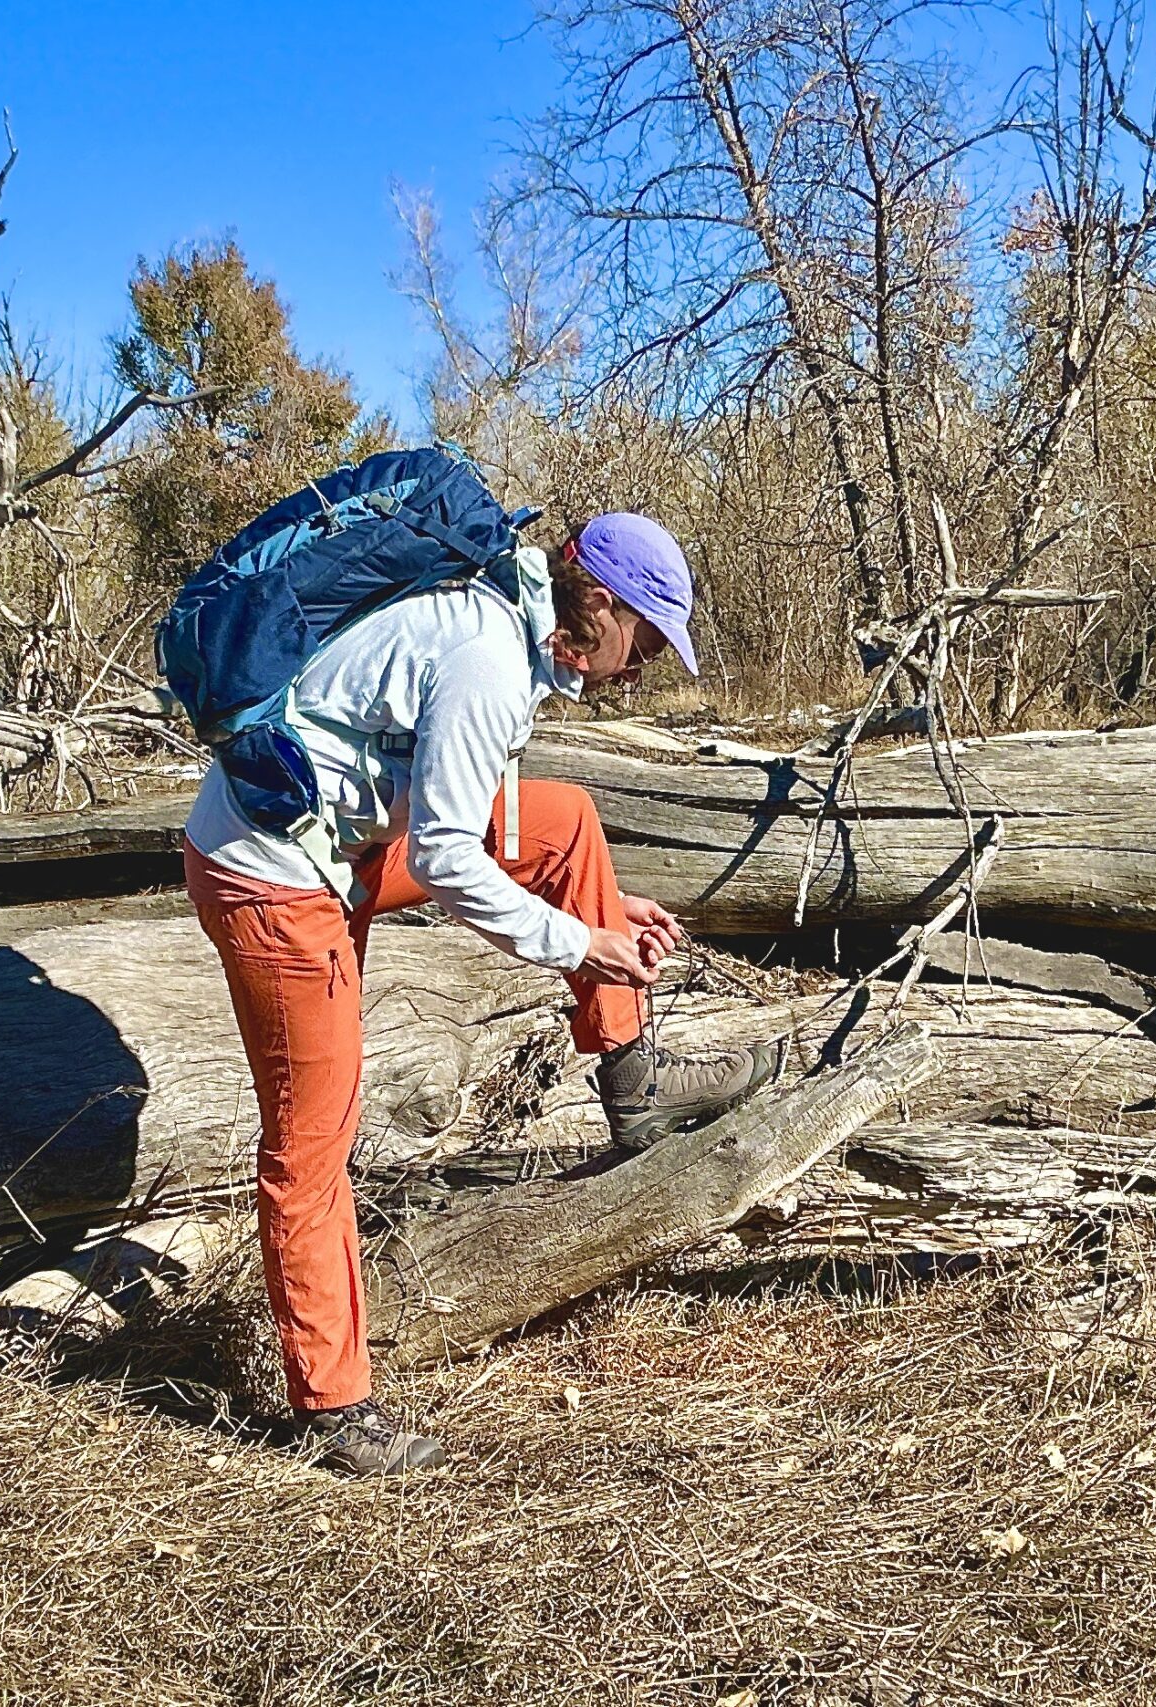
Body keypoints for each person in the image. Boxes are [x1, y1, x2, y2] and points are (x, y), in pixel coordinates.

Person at [181, 511, 783, 1477]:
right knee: (311, 1137)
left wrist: (603, 907)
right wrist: (578, 938)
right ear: (598, 601)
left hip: (347, 842)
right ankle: (335, 1406)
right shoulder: (488, 654)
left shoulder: (509, 608)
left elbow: (477, 816)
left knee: (567, 820)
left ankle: (634, 1079)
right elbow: (451, 859)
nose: (643, 669)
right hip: (275, 876)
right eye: (646, 640)